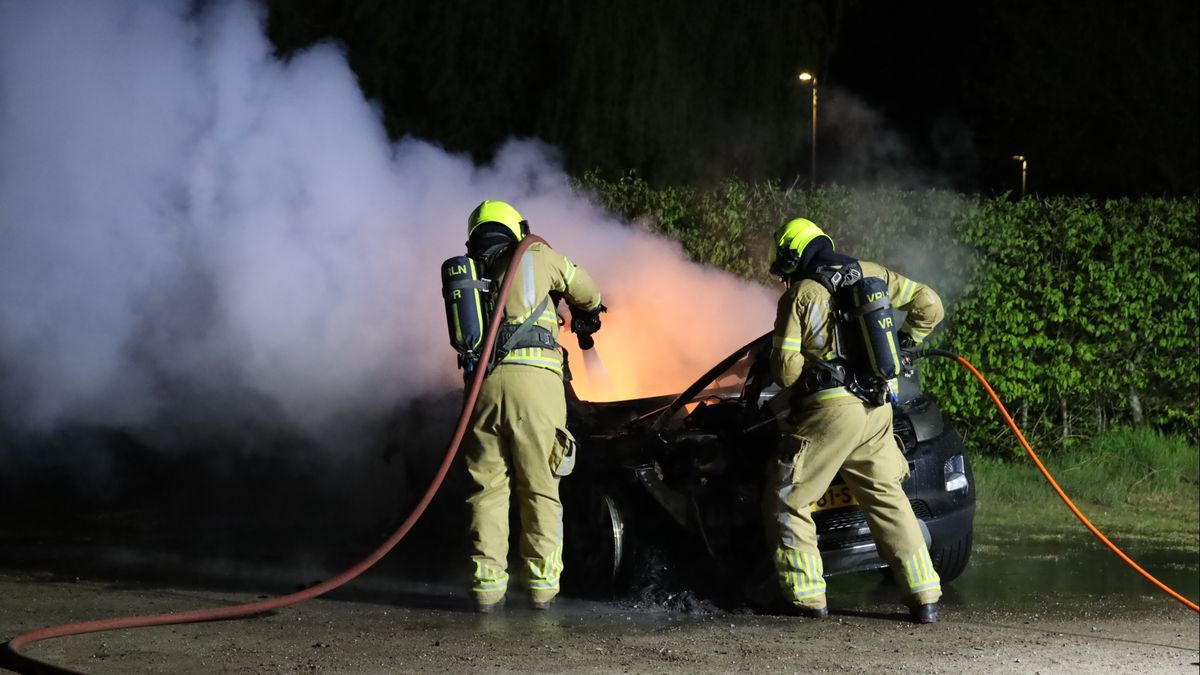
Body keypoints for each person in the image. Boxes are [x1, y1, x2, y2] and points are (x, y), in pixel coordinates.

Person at [762, 217, 945, 623]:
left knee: (789, 495)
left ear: (792, 257)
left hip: (832, 412)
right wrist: (905, 343)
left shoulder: (801, 295)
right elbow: (930, 304)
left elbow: (786, 373)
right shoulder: (871, 273)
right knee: (887, 497)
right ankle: (924, 595)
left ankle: (806, 596)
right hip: (877, 408)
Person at [457, 200, 604, 612]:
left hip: (482, 391)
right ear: (515, 229)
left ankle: (487, 590)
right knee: (539, 486)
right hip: (535, 386)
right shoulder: (536, 254)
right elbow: (588, 290)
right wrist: (590, 312)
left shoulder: (470, 274)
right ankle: (541, 588)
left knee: (487, 490)